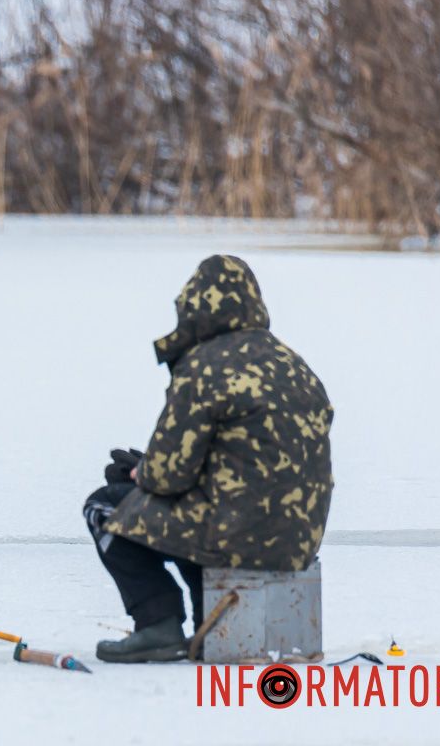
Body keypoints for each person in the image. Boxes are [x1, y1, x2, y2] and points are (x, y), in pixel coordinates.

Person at [83, 254, 333, 662]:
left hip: (239, 535)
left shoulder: (205, 364)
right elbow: (246, 459)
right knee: (199, 512)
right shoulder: (293, 364)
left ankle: (158, 624)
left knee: (103, 505)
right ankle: (209, 619)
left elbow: (168, 477)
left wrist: (140, 472)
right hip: (297, 543)